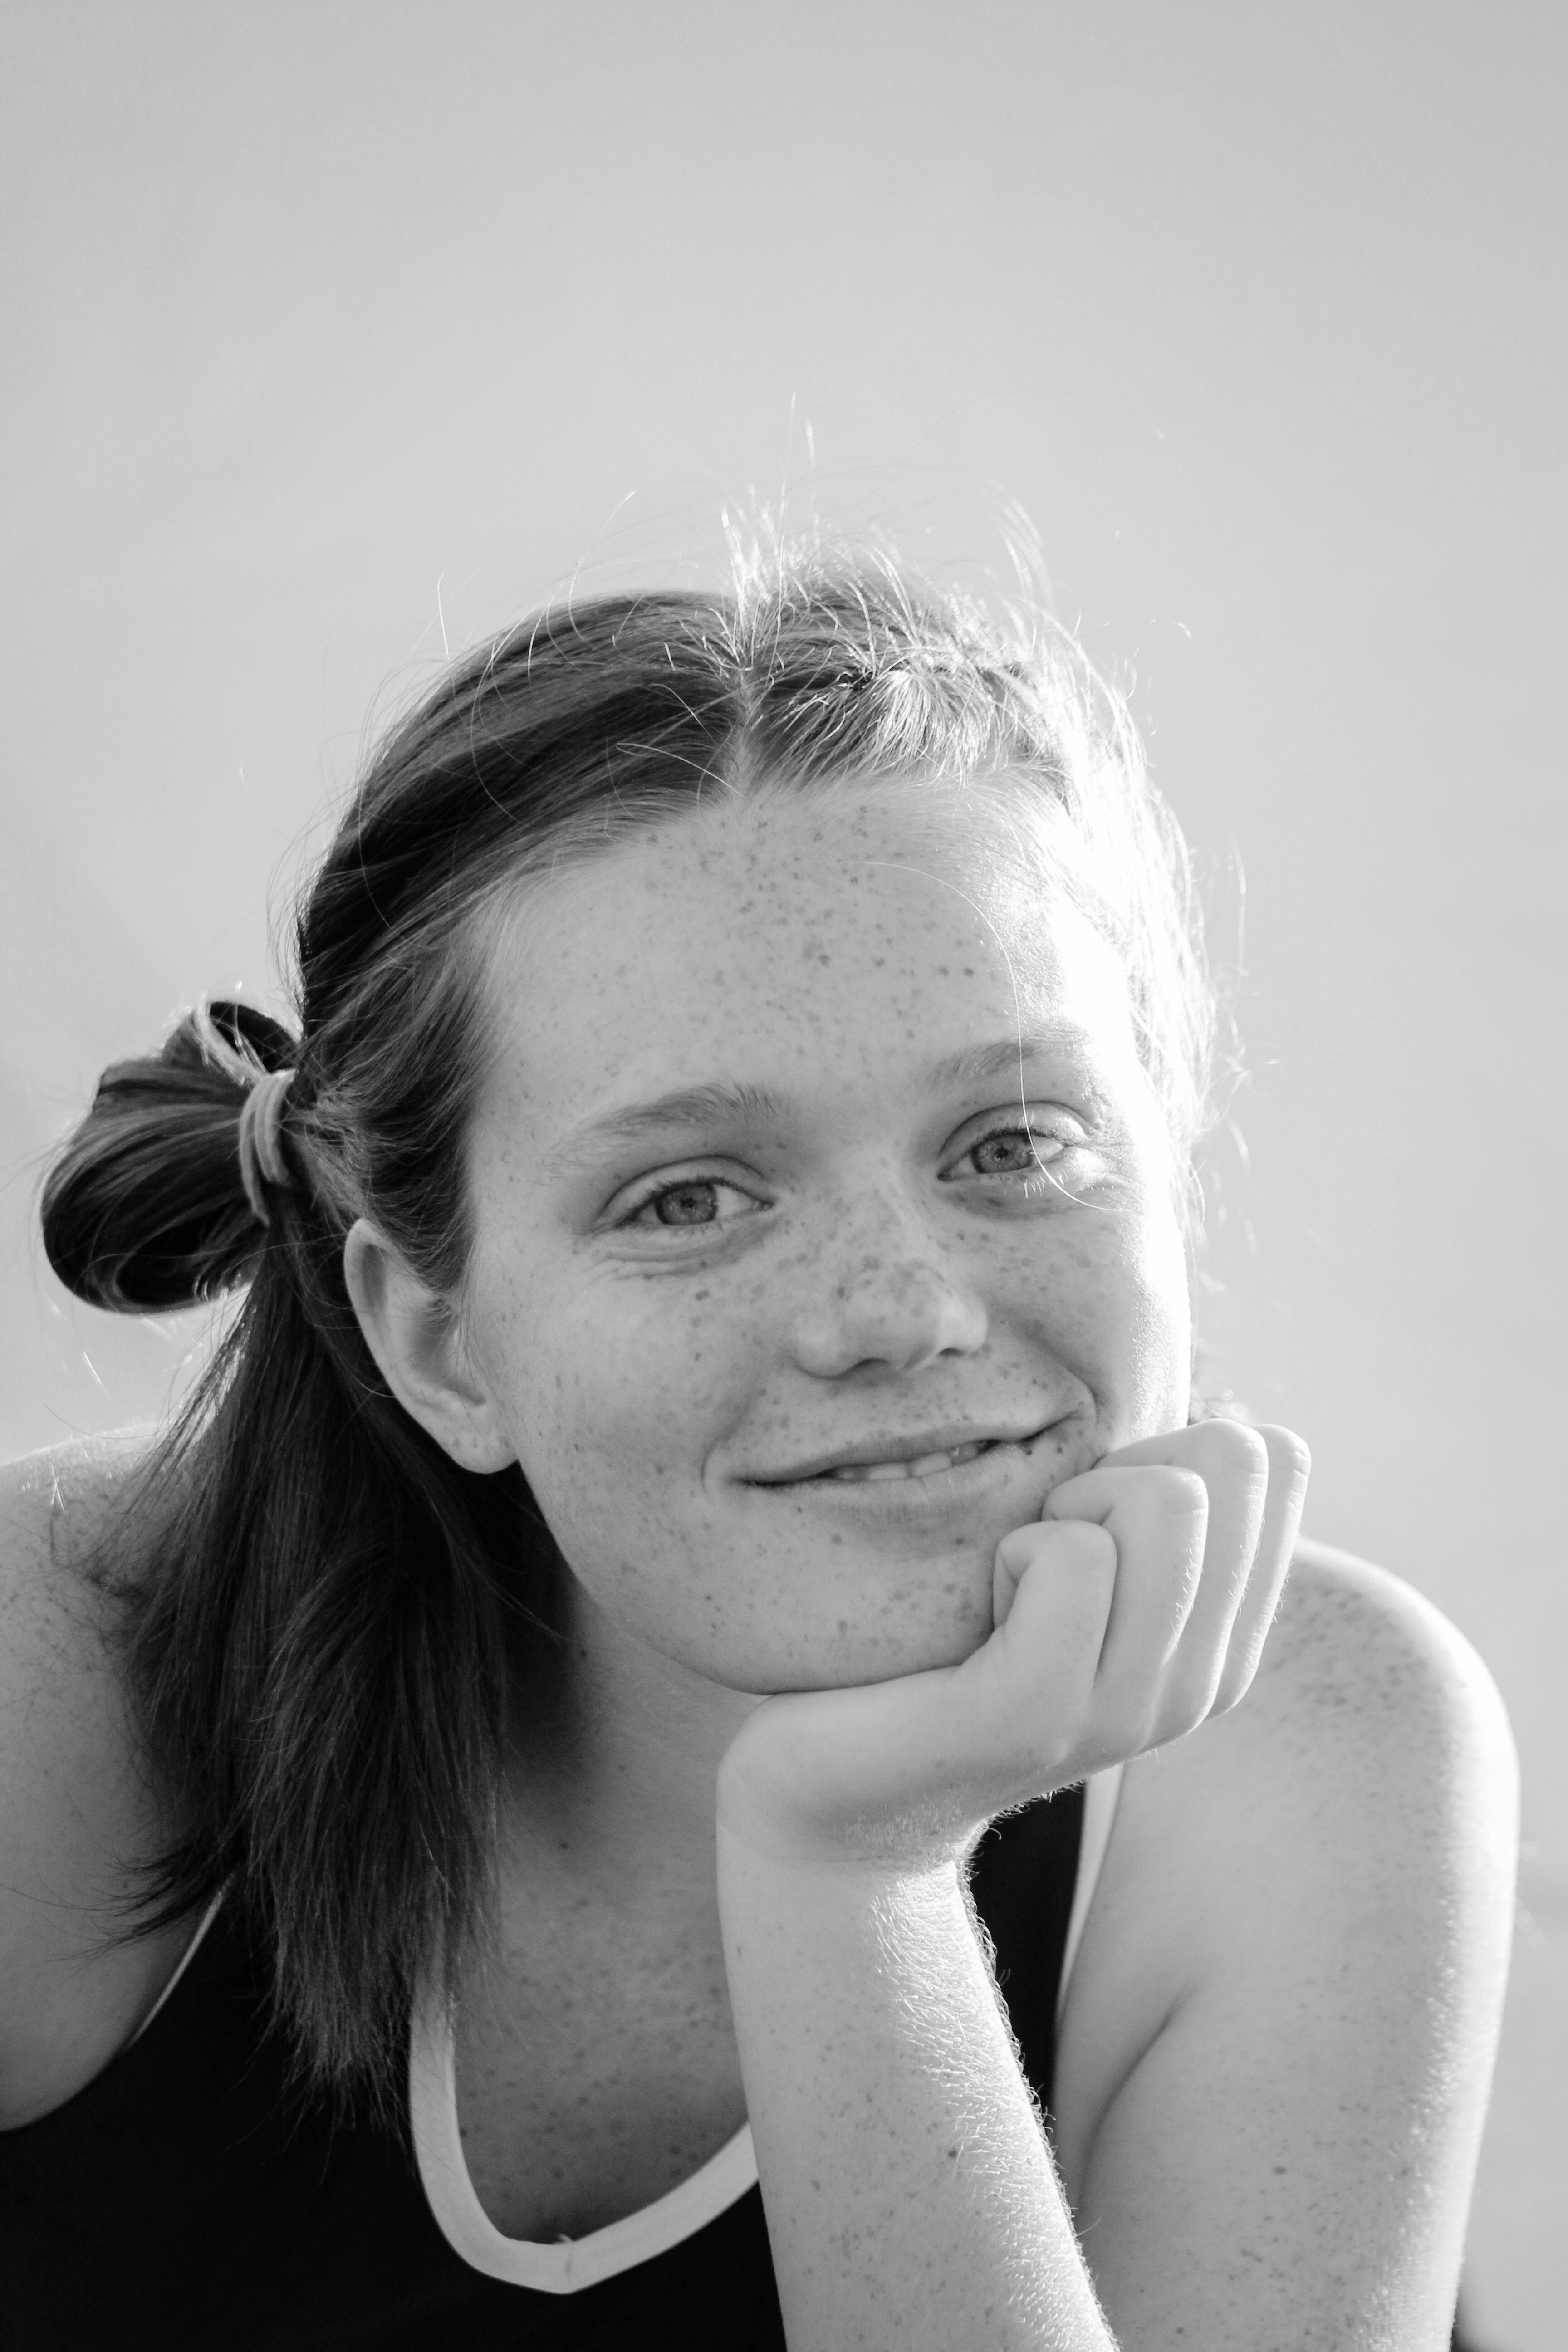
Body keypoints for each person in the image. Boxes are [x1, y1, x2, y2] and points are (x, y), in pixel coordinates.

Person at [0, 547, 1515, 2351]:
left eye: (1012, 1145)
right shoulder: (60, 1668)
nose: (900, 1310)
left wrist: (854, 1870)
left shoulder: (1312, 1747)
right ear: (439, 1336)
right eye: (691, 1195)